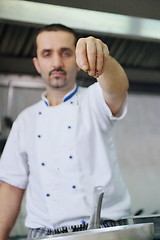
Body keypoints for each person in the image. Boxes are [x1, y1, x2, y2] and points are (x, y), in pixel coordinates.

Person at [0, 23, 131, 240]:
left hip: (104, 230)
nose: (57, 62)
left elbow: (117, 87)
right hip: (44, 234)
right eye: (47, 54)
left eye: (66, 53)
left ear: (78, 60)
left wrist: (103, 61)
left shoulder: (94, 100)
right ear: (37, 63)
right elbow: (11, 188)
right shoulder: (24, 121)